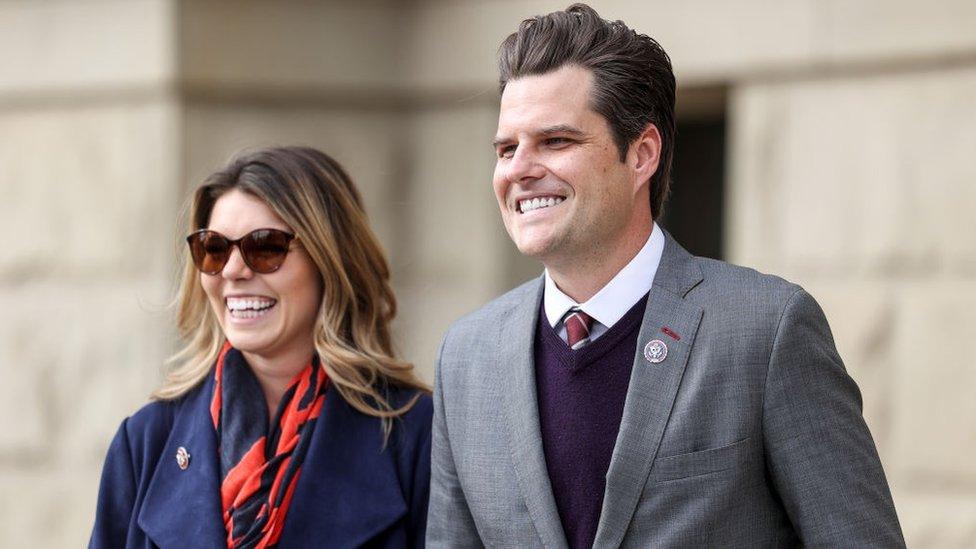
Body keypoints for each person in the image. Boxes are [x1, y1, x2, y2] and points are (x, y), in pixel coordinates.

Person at [427, 4, 904, 548]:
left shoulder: (766, 330)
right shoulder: (466, 357)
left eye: (555, 141)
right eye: (507, 148)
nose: (518, 168)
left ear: (642, 154)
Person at [90, 146, 432, 548]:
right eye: (214, 249)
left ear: (330, 260)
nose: (233, 271)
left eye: (266, 247)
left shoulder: (415, 435)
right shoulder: (146, 441)